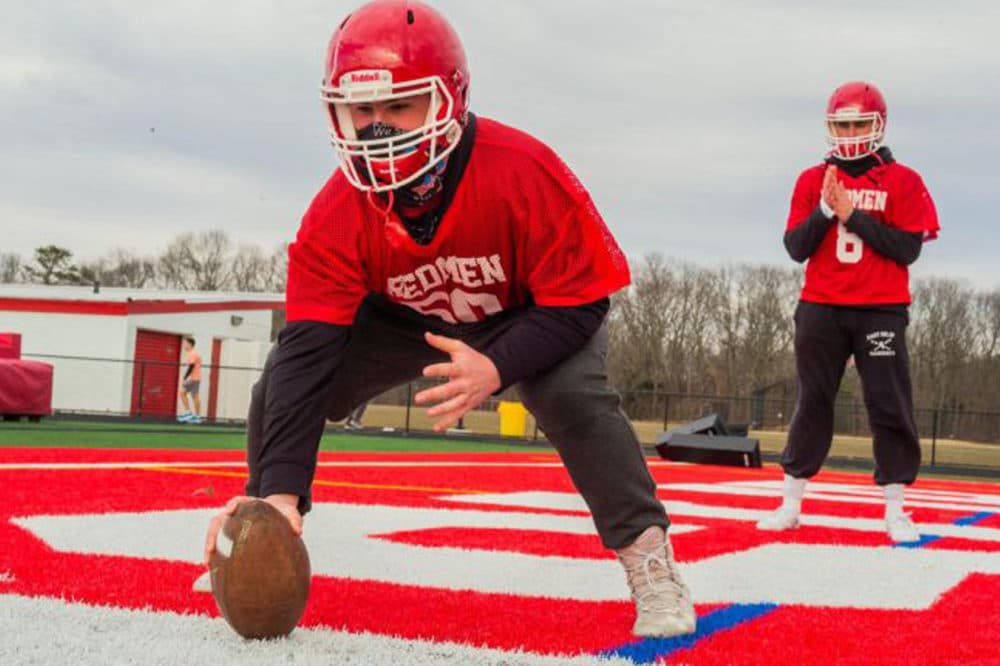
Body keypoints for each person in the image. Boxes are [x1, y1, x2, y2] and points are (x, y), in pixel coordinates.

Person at [203, 0, 695, 637]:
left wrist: (497, 366)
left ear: (447, 101)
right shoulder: (336, 212)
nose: (376, 129)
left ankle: (651, 563)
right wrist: (280, 493)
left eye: (397, 106)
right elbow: (306, 353)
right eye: (363, 111)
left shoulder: (523, 170)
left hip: (531, 316)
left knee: (571, 394)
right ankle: (263, 533)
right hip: (412, 317)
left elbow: (580, 304)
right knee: (279, 386)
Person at [757, 81, 940, 543]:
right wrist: (825, 208)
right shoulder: (810, 179)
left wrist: (852, 215)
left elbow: (907, 249)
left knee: (888, 402)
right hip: (821, 306)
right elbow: (796, 248)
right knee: (812, 401)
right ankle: (791, 502)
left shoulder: (905, 181)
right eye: (843, 123)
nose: (851, 131)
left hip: (881, 309)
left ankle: (896, 507)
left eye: (860, 122)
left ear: (878, 125)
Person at [177, 336, 202, 424]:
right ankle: (189, 413)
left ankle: (196, 417)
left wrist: (185, 377)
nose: (184, 345)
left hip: (194, 378)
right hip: (193, 378)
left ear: (190, 344)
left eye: (186, 343)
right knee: (183, 393)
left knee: (194, 397)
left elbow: (191, 366)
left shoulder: (193, 354)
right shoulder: (191, 354)